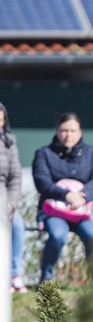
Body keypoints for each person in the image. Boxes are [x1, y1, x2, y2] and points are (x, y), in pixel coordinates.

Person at [32, 112, 93, 284]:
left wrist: (82, 197)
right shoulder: (44, 153)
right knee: (57, 235)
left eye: (73, 130)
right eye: (64, 130)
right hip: (54, 213)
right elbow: (42, 182)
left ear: (80, 132)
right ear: (57, 131)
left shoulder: (90, 152)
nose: (68, 135)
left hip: (83, 212)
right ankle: (46, 279)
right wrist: (66, 195)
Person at [1, 101, 27, 292]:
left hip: (3, 198)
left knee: (17, 225)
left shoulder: (9, 141)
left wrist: (11, 204)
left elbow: (15, 177)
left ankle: (13, 275)